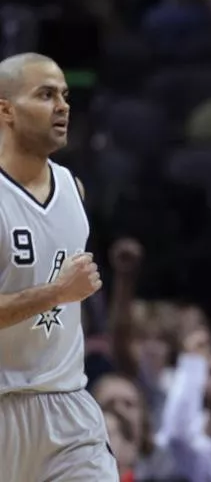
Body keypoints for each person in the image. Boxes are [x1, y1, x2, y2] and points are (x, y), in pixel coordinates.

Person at [0, 52, 118, 480]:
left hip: (67, 404)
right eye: (45, 94)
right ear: (6, 109)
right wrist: (56, 293)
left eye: (65, 95)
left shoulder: (74, 188)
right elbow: (62, 292)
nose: (63, 105)